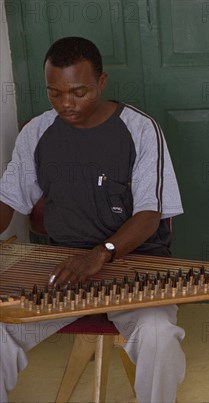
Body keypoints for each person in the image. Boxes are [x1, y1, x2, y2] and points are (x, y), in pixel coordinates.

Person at [0, 37, 185, 402]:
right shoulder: (36, 133)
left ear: (101, 82)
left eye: (79, 92)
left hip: (136, 267)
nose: (66, 104)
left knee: (158, 334)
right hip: (63, 272)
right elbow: (8, 202)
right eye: (54, 93)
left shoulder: (140, 129)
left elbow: (150, 215)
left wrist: (101, 254)